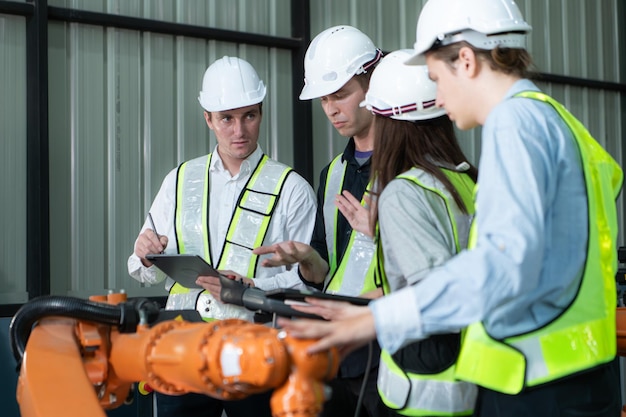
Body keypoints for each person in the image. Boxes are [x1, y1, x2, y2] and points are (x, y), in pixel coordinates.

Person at [277, 1, 624, 417]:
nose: (436, 96)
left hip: (536, 383)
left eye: (436, 78)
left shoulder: (515, 125)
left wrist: (375, 320)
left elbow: (501, 267)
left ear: (465, 60)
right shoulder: (554, 119)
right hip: (572, 373)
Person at [127, 56, 317, 417]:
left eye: (249, 115)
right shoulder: (180, 181)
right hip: (182, 349)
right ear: (208, 119)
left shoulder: (292, 190)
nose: (239, 131)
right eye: (227, 118)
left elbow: (309, 282)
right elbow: (143, 268)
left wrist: (254, 288)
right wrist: (144, 253)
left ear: (261, 113)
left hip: (256, 353)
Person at [254, 25, 391, 417]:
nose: (331, 108)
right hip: (337, 351)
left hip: (387, 346)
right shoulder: (332, 174)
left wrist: (382, 233)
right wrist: (305, 259)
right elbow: (326, 268)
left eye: (341, 94)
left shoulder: (408, 171)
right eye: (324, 99)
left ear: (371, 83)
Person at [356, 48, 479, 416]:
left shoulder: (402, 194)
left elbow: (433, 294)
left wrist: (368, 316)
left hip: (419, 391)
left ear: (389, 123)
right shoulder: (469, 180)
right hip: (470, 377)